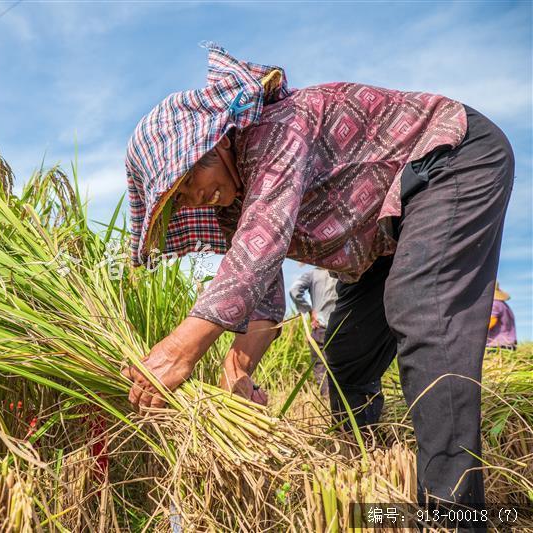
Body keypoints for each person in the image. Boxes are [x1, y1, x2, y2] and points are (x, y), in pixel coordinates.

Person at [121, 42, 514, 515]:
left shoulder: (276, 129)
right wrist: (239, 371)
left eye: (188, 180)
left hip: (449, 160)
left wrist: (178, 351)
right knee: (346, 354)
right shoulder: (233, 207)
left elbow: (258, 249)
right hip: (382, 234)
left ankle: (453, 512)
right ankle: (369, 469)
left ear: (218, 141)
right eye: (178, 199)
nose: (192, 198)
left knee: (423, 309)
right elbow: (262, 300)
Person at [289, 266, 337, 396]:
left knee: (321, 366)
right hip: (341, 327)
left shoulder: (313, 274)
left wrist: (309, 310)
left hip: (320, 327)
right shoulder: (342, 274)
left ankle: (327, 398)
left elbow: (294, 290)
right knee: (341, 366)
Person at [486, 282, 517, 350]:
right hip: (509, 343)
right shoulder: (503, 304)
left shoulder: (494, 303)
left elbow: (492, 321)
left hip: (498, 344)